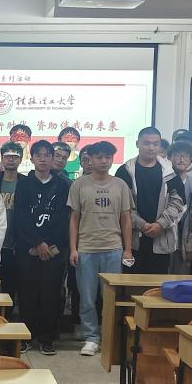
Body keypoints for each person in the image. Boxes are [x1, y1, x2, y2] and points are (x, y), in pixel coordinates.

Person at [68, 141, 133, 357]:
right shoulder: (79, 185)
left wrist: (127, 249)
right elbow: (74, 218)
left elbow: (126, 219)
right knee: (87, 298)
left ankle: (110, 336)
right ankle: (91, 338)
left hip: (113, 249)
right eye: (99, 157)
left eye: (108, 157)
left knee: (110, 298)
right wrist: (73, 248)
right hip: (86, 248)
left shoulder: (120, 185)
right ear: (90, 159)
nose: (104, 161)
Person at [15, 140, 70, 356]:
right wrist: (37, 243)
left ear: (53, 158)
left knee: (51, 295)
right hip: (28, 249)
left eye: (48, 155)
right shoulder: (24, 184)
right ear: (32, 158)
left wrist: (47, 244)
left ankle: (48, 339)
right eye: (39, 155)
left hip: (53, 250)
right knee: (27, 294)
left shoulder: (62, 185)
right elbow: (21, 218)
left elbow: (62, 219)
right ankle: (26, 336)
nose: (44, 159)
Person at [117, 127, 185, 274]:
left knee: (156, 284)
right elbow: (121, 205)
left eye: (155, 144)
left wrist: (161, 224)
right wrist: (141, 224)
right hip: (132, 241)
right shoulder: (125, 171)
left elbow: (178, 202)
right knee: (130, 284)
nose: (151, 147)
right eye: (146, 143)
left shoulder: (170, 171)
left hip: (162, 238)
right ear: (137, 144)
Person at [0, 142, 25, 314]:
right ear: (2, 158)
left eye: (15, 157)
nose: (11, 160)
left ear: (21, 159)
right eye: (7, 156)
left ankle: (8, 320)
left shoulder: (26, 183)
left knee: (11, 287)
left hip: (16, 244)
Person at [168, 140, 192, 274]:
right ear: (170, 158)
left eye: (186, 156)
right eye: (177, 155)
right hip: (167, 234)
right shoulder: (164, 181)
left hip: (187, 238)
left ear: (190, 160)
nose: (182, 159)